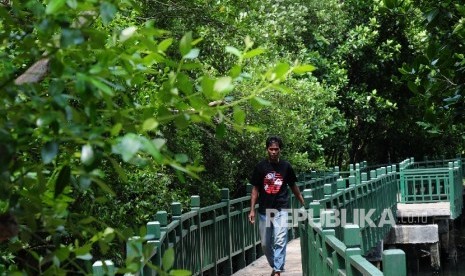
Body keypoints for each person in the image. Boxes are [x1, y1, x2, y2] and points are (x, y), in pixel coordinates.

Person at [248, 136, 305, 276]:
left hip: (281, 208)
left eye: (276, 149)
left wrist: (303, 202)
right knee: (265, 244)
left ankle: (278, 270)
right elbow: (255, 189)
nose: (273, 152)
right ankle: (275, 266)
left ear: (280, 150)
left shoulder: (286, 167)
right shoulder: (260, 167)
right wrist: (252, 210)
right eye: (271, 149)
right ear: (267, 149)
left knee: (280, 239)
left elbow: (293, 186)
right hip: (264, 211)